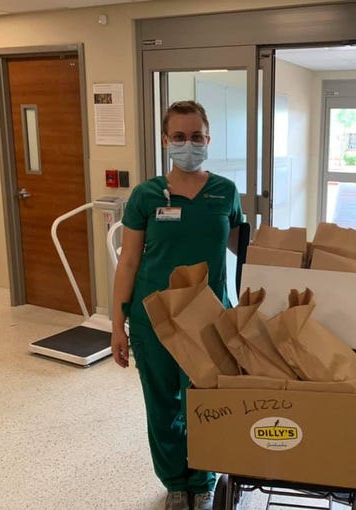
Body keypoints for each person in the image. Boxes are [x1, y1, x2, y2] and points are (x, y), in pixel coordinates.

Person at [111, 100, 243, 510]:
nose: (189, 144)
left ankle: (203, 479)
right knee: (163, 402)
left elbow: (247, 252)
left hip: (206, 318)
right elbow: (129, 261)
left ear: (209, 139)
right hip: (154, 317)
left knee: (204, 402)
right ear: (166, 140)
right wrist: (117, 325)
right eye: (180, 137)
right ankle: (175, 482)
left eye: (197, 137)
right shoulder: (147, 195)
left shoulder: (225, 191)